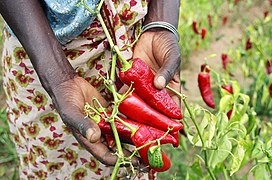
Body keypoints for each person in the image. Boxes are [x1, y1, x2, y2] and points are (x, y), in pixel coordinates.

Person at [0, 0, 181, 179]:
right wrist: (58, 77)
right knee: (57, 162)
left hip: (137, 38)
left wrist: (160, 21)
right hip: (44, 50)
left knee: (136, 157)